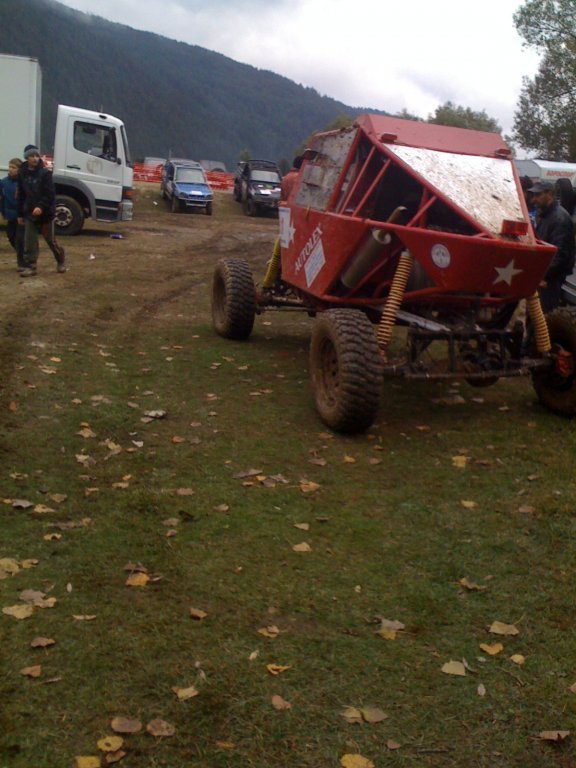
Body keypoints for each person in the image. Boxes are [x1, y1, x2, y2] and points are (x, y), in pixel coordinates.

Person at [17, 144, 66, 277]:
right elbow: (21, 194)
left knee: (50, 241)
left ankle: (60, 259)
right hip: (29, 212)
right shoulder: (22, 173)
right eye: (31, 156)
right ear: (26, 158)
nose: (35, 158)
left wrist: (41, 206)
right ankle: (31, 266)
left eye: (36, 155)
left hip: (46, 214)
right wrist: (20, 214)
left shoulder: (45, 173)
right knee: (30, 241)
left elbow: (49, 194)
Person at [529, 180, 575, 312]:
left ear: (549, 194)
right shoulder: (544, 215)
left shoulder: (560, 220)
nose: (533, 200)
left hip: (551, 279)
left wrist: (542, 276)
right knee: (534, 314)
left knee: (543, 316)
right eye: (533, 195)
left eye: (538, 195)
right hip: (543, 274)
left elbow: (560, 256)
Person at [0, 158, 25, 271]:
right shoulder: (3, 182)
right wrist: (3, 212)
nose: (10, 169)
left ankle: (22, 262)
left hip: (20, 215)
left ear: (19, 170)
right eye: (10, 167)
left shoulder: (22, 182)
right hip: (9, 214)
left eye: (14, 167)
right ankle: (22, 253)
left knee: (19, 238)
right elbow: (2, 198)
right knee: (10, 236)